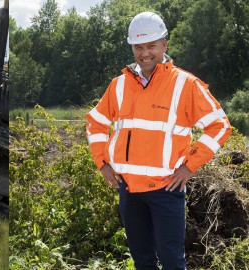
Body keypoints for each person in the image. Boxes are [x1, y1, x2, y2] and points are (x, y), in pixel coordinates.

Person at [85, 12, 231, 269]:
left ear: (164, 44)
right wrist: (103, 162)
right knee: (142, 260)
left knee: (172, 260)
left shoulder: (186, 84)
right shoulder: (118, 85)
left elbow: (220, 126)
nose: (145, 53)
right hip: (128, 190)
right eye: (138, 47)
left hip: (167, 190)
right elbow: (95, 122)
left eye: (151, 45)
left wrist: (189, 167)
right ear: (132, 48)